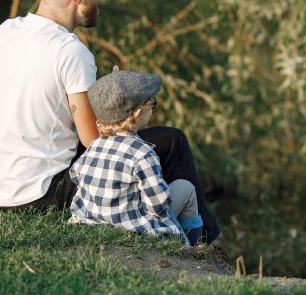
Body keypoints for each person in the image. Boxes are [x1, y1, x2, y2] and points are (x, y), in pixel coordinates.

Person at [0, 0, 219, 243]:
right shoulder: (71, 51)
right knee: (173, 142)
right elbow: (93, 141)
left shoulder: (5, 32)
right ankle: (204, 244)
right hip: (43, 194)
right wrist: (119, 103)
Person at [68, 69, 204, 245]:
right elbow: (157, 204)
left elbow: (76, 175)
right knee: (186, 188)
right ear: (138, 112)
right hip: (135, 229)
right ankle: (194, 248)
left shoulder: (93, 147)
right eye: (151, 103)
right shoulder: (143, 153)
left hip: (94, 222)